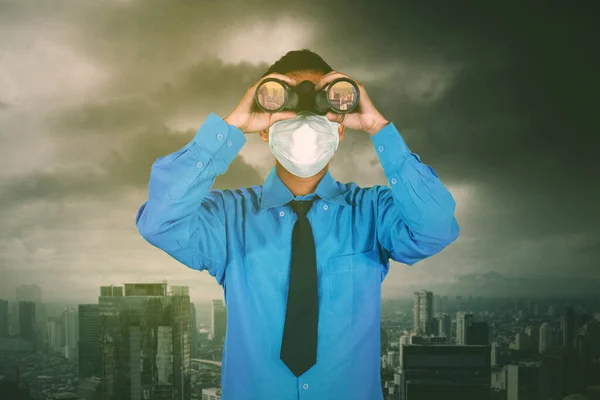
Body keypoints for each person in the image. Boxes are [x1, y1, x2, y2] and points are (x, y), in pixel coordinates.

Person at [136, 49, 459, 400]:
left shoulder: (370, 212)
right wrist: (231, 128)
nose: (306, 119)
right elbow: (160, 222)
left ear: (339, 127)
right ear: (264, 129)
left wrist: (378, 128)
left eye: (321, 104)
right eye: (287, 103)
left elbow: (435, 227)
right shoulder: (230, 218)